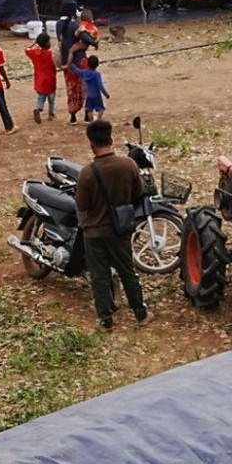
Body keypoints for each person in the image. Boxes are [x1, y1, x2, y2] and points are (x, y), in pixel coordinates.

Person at [74, 118, 149, 330]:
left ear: (91, 144)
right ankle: (140, 314)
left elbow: (81, 204)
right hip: (120, 230)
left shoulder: (86, 173)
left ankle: (106, 321)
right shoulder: (128, 165)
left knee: (99, 276)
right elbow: (138, 193)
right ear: (111, 139)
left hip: (94, 233)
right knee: (128, 272)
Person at [26, 32, 58, 122]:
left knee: (41, 97)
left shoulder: (35, 53)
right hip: (50, 81)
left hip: (40, 81)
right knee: (51, 100)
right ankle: (51, 115)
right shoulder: (51, 54)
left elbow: (27, 49)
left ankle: (38, 108)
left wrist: (35, 43)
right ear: (47, 43)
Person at [72, 53, 108, 120]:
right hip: (96, 95)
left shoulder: (85, 72)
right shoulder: (97, 74)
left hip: (88, 95)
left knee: (89, 109)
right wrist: (106, 94)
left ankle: (91, 121)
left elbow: (77, 71)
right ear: (97, 65)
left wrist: (72, 64)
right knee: (101, 108)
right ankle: (98, 119)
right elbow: (100, 85)